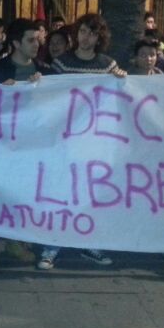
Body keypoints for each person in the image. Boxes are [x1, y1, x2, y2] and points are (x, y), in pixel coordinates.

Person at [38, 14, 124, 271]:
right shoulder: (62, 64)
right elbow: (50, 96)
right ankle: (52, 245)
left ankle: (88, 242)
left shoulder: (108, 66)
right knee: (61, 192)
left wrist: (122, 80)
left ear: (100, 38)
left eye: (93, 33)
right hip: (66, 140)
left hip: (95, 141)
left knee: (90, 193)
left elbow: (119, 99)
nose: (87, 38)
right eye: (83, 31)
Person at [0, 18, 47, 272]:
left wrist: (43, 88)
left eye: (38, 39)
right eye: (31, 40)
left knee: (20, 196)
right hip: (1, 145)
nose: (37, 44)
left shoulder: (44, 71)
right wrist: (0, 94)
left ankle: (13, 241)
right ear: (16, 43)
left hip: (29, 147)